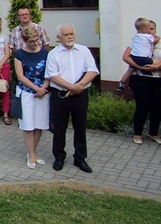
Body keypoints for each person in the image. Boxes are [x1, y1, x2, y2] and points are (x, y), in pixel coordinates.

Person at [45, 24, 99, 173]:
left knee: (80, 127)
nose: (69, 37)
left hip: (80, 95)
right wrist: (71, 87)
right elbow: (53, 76)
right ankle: (59, 157)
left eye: (71, 34)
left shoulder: (83, 50)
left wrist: (78, 86)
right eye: (66, 34)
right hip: (60, 95)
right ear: (59, 37)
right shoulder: (53, 54)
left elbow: (92, 71)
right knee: (59, 128)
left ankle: (80, 158)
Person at [14, 27, 50, 168]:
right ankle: (31, 154)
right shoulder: (19, 54)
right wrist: (36, 89)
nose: (35, 43)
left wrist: (44, 88)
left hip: (43, 92)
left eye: (36, 40)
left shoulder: (45, 53)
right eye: (31, 41)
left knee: (39, 124)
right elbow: (20, 76)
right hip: (27, 92)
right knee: (28, 125)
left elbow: (50, 73)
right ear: (24, 41)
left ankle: (33, 153)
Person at [122, 19, 161, 145]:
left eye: (152, 28)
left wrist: (155, 67)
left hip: (157, 79)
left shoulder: (160, 43)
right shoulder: (137, 40)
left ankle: (153, 134)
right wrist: (139, 67)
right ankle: (138, 134)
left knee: (157, 108)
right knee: (142, 107)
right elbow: (126, 57)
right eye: (148, 28)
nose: (149, 31)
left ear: (155, 30)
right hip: (140, 79)